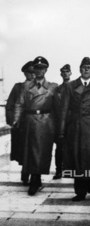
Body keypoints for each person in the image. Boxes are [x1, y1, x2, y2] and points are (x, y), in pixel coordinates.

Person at [59, 57, 90, 201]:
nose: (87, 70)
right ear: (80, 70)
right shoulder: (70, 86)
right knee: (77, 159)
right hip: (76, 127)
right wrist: (62, 129)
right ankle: (80, 190)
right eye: (84, 67)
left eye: (89, 68)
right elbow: (64, 109)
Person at [13, 56, 58, 195]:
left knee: (43, 152)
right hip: (30, 121)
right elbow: (19, 104)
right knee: (30, 152)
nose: (39, 71)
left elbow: (58, 106)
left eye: (42, 68)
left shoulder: (53, 86)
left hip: (46, 122)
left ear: (46, 70)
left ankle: (37, 177)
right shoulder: (26, 86)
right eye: (37, 68)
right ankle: (34, 179)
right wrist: (16, 120)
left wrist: (58, 125)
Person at [5, 61, 35, 185]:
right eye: (29, 72)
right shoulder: (18, 87)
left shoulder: (39, 87)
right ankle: (25, 172)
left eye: (34, 72)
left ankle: (33, 175)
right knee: (23, 150)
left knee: (35, 149)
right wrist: (13, 121)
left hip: (35, 124)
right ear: (24, 73)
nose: (32, 75)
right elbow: (10, 105)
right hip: (21, 125)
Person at [53, 64, 72, 180]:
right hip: (59, 122)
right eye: (63, 72)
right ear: (61, 74)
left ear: (70, 73)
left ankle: (69, 169)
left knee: (71, 147)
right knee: (59, 147)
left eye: (67, 71)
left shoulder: (75, 87)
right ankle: (58, 170)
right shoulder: (57, 89)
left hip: (71, 122)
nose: (65, 73)